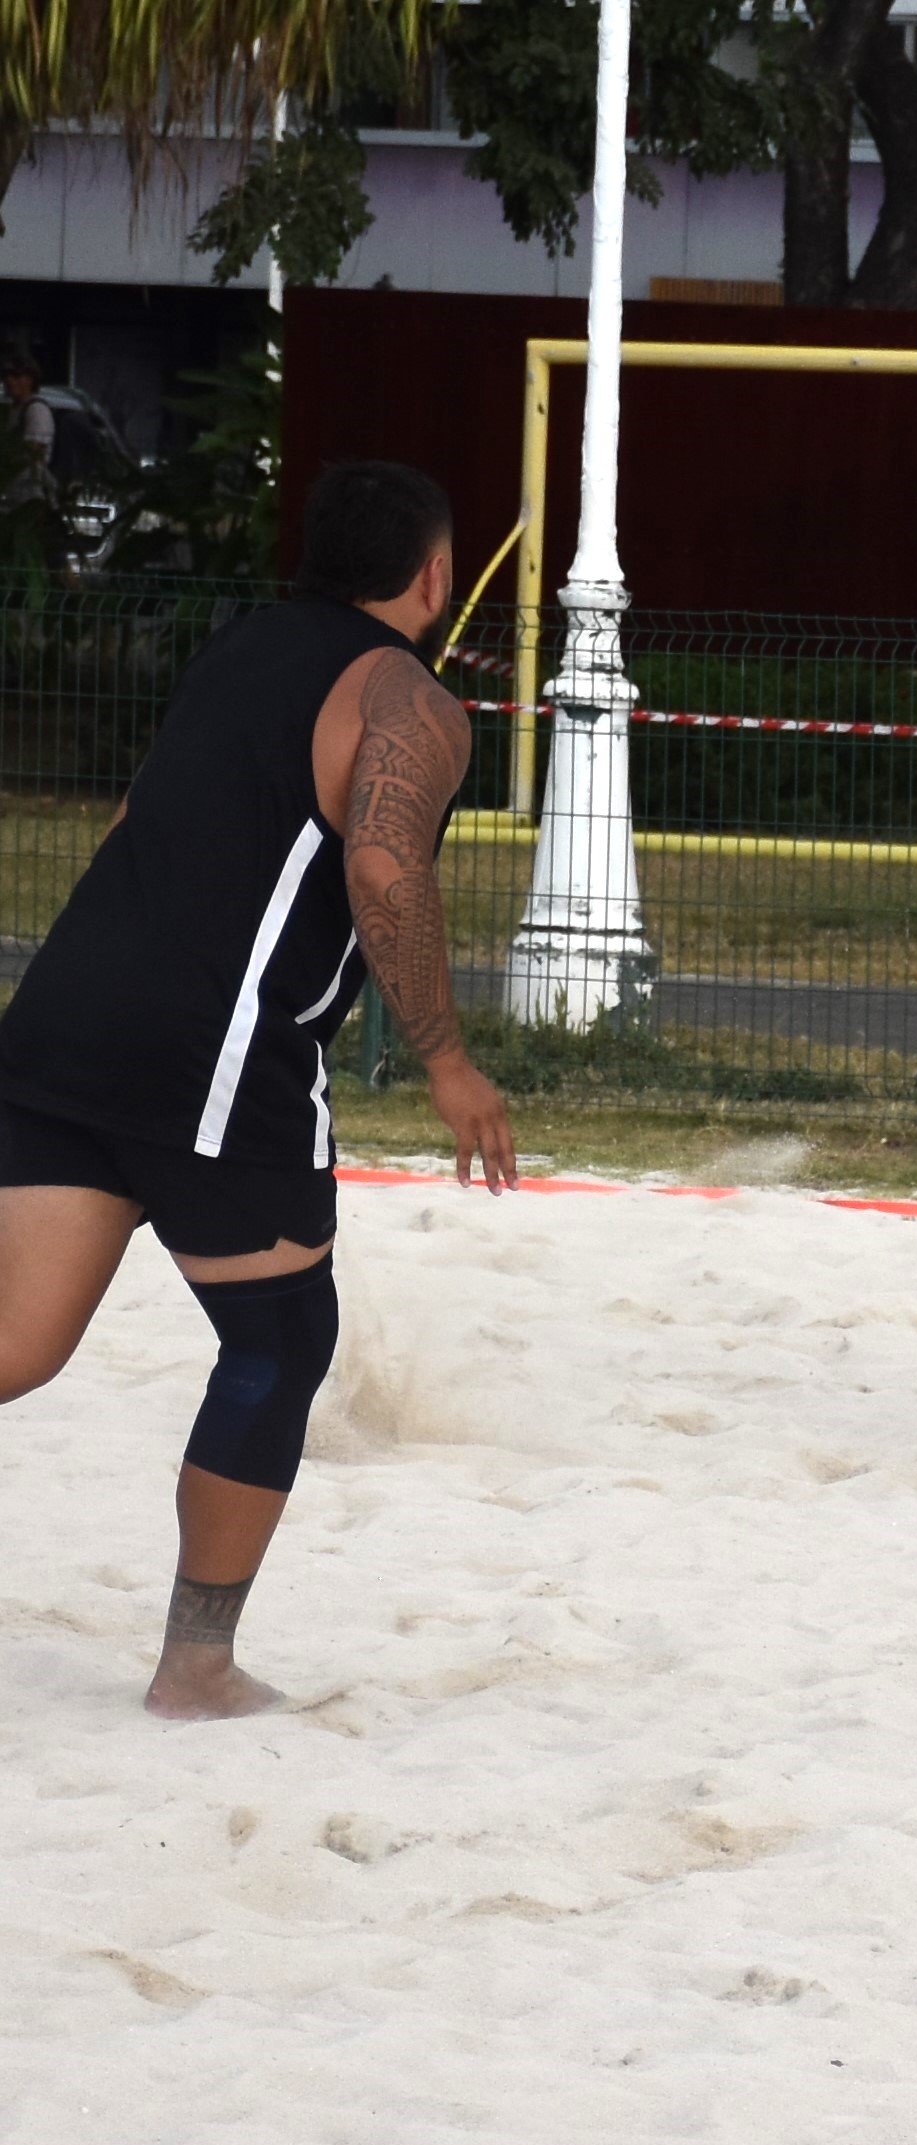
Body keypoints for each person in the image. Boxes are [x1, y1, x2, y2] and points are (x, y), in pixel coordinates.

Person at [0, 460, 518, 1719]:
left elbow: (136, 819)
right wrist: (448, 1059)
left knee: (13, 1350)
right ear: (436, 574)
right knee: (278, 1339)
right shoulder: (412, 697)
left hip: (63, 1019)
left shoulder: (241, 649)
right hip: (216, 1057)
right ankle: (196, 1669)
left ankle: (199, 1664)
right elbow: (386, 874)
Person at [4, 351, 56, 511]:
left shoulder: (36, 410)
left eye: (16, 376)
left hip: (31, 496)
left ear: (29, 379)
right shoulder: (14, 410)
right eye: (6, 376)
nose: (9, 381)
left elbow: (34, 452)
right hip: (13, 495)